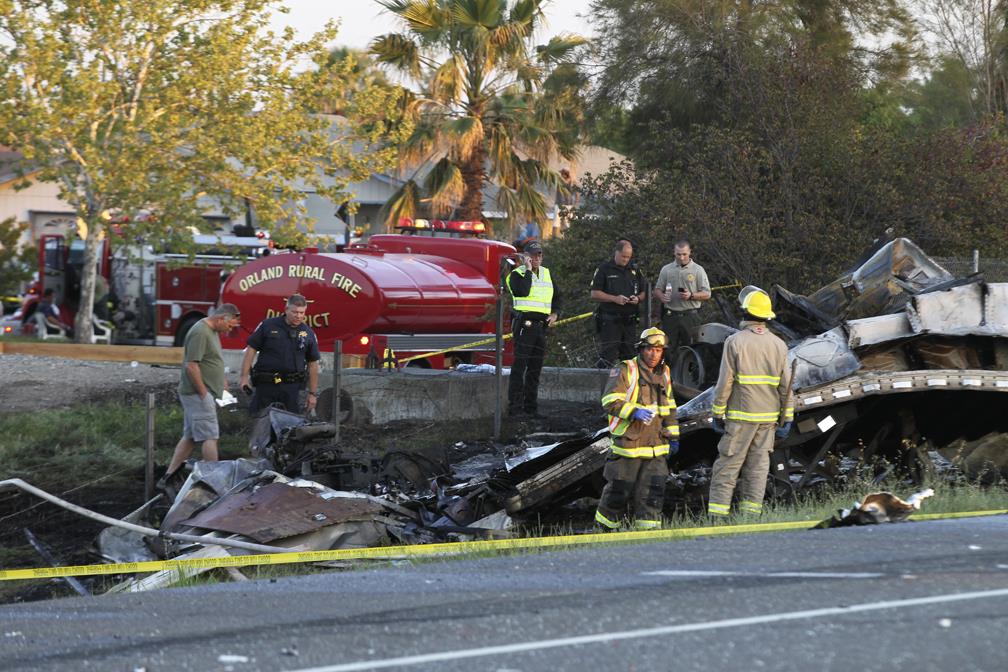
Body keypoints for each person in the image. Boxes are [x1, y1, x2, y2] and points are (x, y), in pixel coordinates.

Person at [707, 287, 794, 519]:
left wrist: (717, 413)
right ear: (766, 316)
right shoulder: (779, 344)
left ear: (745, 312)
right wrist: (788, 418)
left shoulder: (735, 342)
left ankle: (717, 518)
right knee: (757, 469)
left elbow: (725, 381)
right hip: (767, 419)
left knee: (728, 467)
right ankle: (750, 518)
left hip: (740, 417)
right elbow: (786, 386)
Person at [595, 327, 679, 530]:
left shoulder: (665, 372)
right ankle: (605, 530)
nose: (654, 354)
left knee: (653, 492)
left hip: (656, 446)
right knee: (618, 490)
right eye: (650, 349)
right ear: (641, 349)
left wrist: (674, 436)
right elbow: (609, 400)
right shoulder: (625, 369)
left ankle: (648, 533)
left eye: (658, 351)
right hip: (628, 445)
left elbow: (669, 407)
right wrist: (634, 412)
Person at [159, 303, 242, 489]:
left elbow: (211, 359)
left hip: (204, 392)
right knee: (210, 436)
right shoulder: (200, 332)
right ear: (222, 318)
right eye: (229, 326)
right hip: (197, 394)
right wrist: (204, 393)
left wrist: (222, 379)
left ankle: (168, 477)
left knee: (189, 435)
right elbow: (192, 365)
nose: (230, 330)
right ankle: (215, 480)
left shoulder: (212, 331)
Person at [239, 294, 321, 415]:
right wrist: (244, 377)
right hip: (266, 384)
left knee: (291, 425)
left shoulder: (308, 333)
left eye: (302, 313)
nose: (298, 316)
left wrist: (312, 393)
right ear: (286, 309)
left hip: (291, 388)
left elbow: (313, 364)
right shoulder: (267, 325)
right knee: (259, 421)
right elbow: (251, 350)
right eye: (295, 312)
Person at [506, 240, 561, 417]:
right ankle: (514, 408)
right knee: (519, 367)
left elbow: (559, 296)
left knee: (535, 369)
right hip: (524, 325)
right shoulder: (515, 275)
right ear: (525, 257)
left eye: (539, 255)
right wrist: (528, 270)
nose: (536, 258)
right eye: (532, 255)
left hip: (541, 327)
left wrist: (556, 314)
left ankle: (531, 407)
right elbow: (522, 291)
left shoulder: (547, 274)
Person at [653, 240, 711, 367]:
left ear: (690, 252)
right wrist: (661, 296)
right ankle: (668, 379)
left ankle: (690, 380)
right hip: (671, 316)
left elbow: (707, 293)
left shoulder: (698, 270)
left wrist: (691, 295)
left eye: (684, 254)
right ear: (674, 253)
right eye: (678, 254)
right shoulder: (666, 269)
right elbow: (657, 289)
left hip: (690, 316)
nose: (681, 257)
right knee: (667, 350)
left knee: (693, 350)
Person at [590, 239, 646, 368]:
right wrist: (615, 299)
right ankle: (603, 386)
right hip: (610, 321)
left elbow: (644, 292)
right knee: (608, 356)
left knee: (630, 357)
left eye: (628, 257)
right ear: (616, 253)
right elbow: (594, 293)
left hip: (629, 321)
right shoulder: (604, 269)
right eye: (623, 256)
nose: (626, 260)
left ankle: (627, 386)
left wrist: (637, 298)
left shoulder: (635, 269)